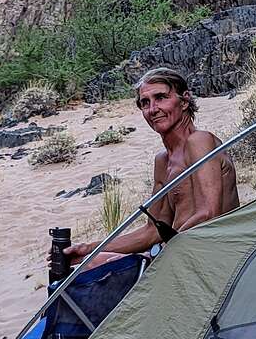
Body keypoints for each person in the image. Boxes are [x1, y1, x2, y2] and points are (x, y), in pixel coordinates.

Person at [64, 67, 240, 270]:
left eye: (161, 97)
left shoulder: (199, 141)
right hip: (180, 254)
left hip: (212, 256)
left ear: (184, 101)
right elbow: (152, 232)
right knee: (90, 263)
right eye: (145, 103)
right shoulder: (163, 161)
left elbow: (209, 214)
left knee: (99, 268)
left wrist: (155, 255)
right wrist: (89, 249)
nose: (153, 109)